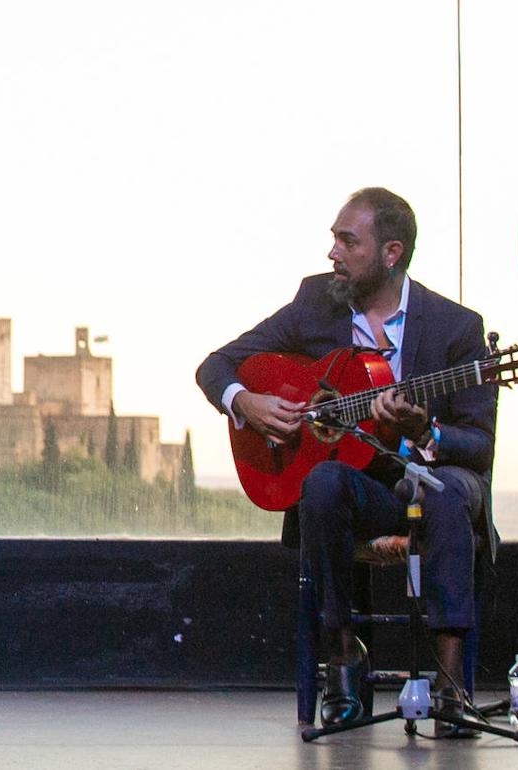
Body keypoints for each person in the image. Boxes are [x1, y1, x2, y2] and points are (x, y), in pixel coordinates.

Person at [196, 188, 498, 734]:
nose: (332, 252)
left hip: (430, 485)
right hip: (364, 493)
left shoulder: (457, 328)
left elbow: (478, 445)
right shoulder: (317, 304)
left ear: (390, 253)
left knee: (451, 491)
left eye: (346, 240)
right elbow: (216, 365)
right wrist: (247, 402)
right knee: (324, 480)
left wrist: (423, 428)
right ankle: (342, 656)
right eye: (334, 238)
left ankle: (451, 688)